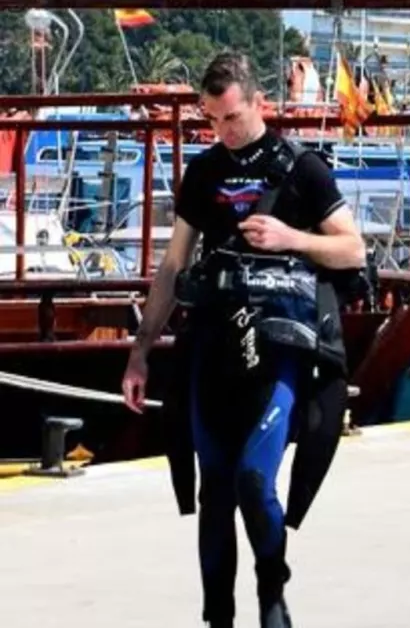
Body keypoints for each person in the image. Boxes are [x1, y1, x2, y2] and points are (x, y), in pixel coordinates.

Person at [120, 52, 367, 628]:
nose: (222, 132)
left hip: (276, 346)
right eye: (211, 120)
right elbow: (172, 266)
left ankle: (272, 589)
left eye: (230, 118)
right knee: (215, 496)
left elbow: (353, 250)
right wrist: (139, 352)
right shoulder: (204, 172)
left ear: (259, 104)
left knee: (256, 481)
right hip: (213, 346)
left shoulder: (301, 169)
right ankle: (218, 618)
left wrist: (291, 237)